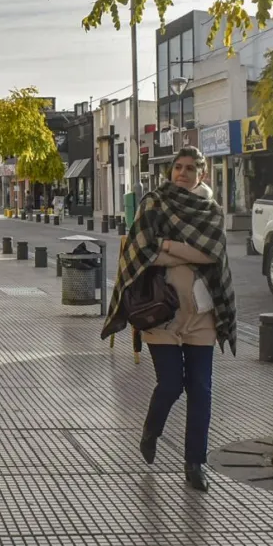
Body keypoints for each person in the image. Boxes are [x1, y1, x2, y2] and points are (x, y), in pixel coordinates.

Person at [102, 146, 237, 492]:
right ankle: (151, 429)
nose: (183, 173)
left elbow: (211, 253)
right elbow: (142, 251)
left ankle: (195, 463)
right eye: (178, 167)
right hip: (160, 313)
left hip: (201, 315)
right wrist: (175, 252)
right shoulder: (153, 204)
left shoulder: (211, 212)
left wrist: (167, 247)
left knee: (202, 390)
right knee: (172, 384)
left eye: (191, 168)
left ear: (201, 174)